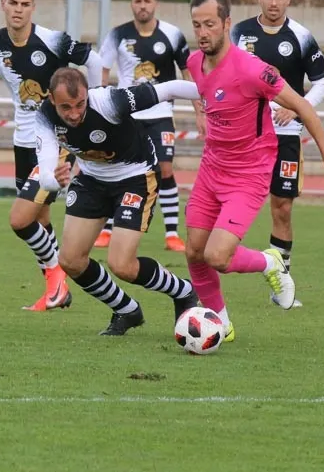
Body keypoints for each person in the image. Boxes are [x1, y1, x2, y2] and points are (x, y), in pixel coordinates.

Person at [183, 0, 324, 342]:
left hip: (248, 173)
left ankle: (271, 262)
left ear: (227, 24)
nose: (203, 32)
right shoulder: (194, 62)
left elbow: (304, 108)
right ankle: (222, 324)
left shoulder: (254, 70)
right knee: (194, 251)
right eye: (197, 25)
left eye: (210, 24)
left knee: (216, 255)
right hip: (212, 167)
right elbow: (204, 95)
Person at [0, 0, 103, 312]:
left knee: (20, 220)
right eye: (13, 3)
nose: (18, 10)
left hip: (56, 142)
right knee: (40, 219)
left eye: (25, 4)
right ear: (2, 5)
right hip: (23, 143)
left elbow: (93, 61)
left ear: (33, 7)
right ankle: (57, 291)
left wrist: (90, 104)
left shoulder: (51, 40)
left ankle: (56, 275)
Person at [35, 68, 201, 336]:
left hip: (135, 176)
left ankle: (183, 291)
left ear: (88, 95)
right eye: (66, 107)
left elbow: (168, 89)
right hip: (91, 179)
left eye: (80, 104)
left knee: (122, 265)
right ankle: (126, 310)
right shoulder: (43, 117)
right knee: (70, 260)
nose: (75, 114)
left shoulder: (110, 101)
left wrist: (218, 91)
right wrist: (56, 179)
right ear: (52, 100)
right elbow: (46, 179)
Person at [230, 0, 324, 308]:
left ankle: (281, 284)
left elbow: (323, 83)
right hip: (244, 134)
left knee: (282, 207)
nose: (274, 3)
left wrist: (298, 108)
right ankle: (213, 266)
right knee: (230, 200)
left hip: (286, 134)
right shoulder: (239, 33)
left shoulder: (301, 36)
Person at [96, 0, 192, 252]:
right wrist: (104, 106)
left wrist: (201, 110)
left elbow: (188, 73)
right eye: (137, 1)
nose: (142, 6)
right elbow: (103, 70)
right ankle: (107, 228)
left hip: (161, 114)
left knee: (165, 169)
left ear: (155, 3)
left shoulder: (172, 35)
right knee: (119, 167)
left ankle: (172, 234)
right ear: (132, 4)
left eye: (147, 1)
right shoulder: (117, 35)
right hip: (129, 115)